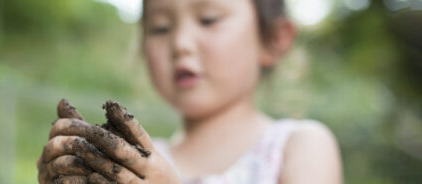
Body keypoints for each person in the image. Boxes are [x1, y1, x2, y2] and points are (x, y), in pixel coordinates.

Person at [38, 0, 343, 183]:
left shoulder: (300, 146)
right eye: (160, 27)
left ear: (275, 38)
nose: (181, 43)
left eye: (208, 19)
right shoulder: (140, 159)